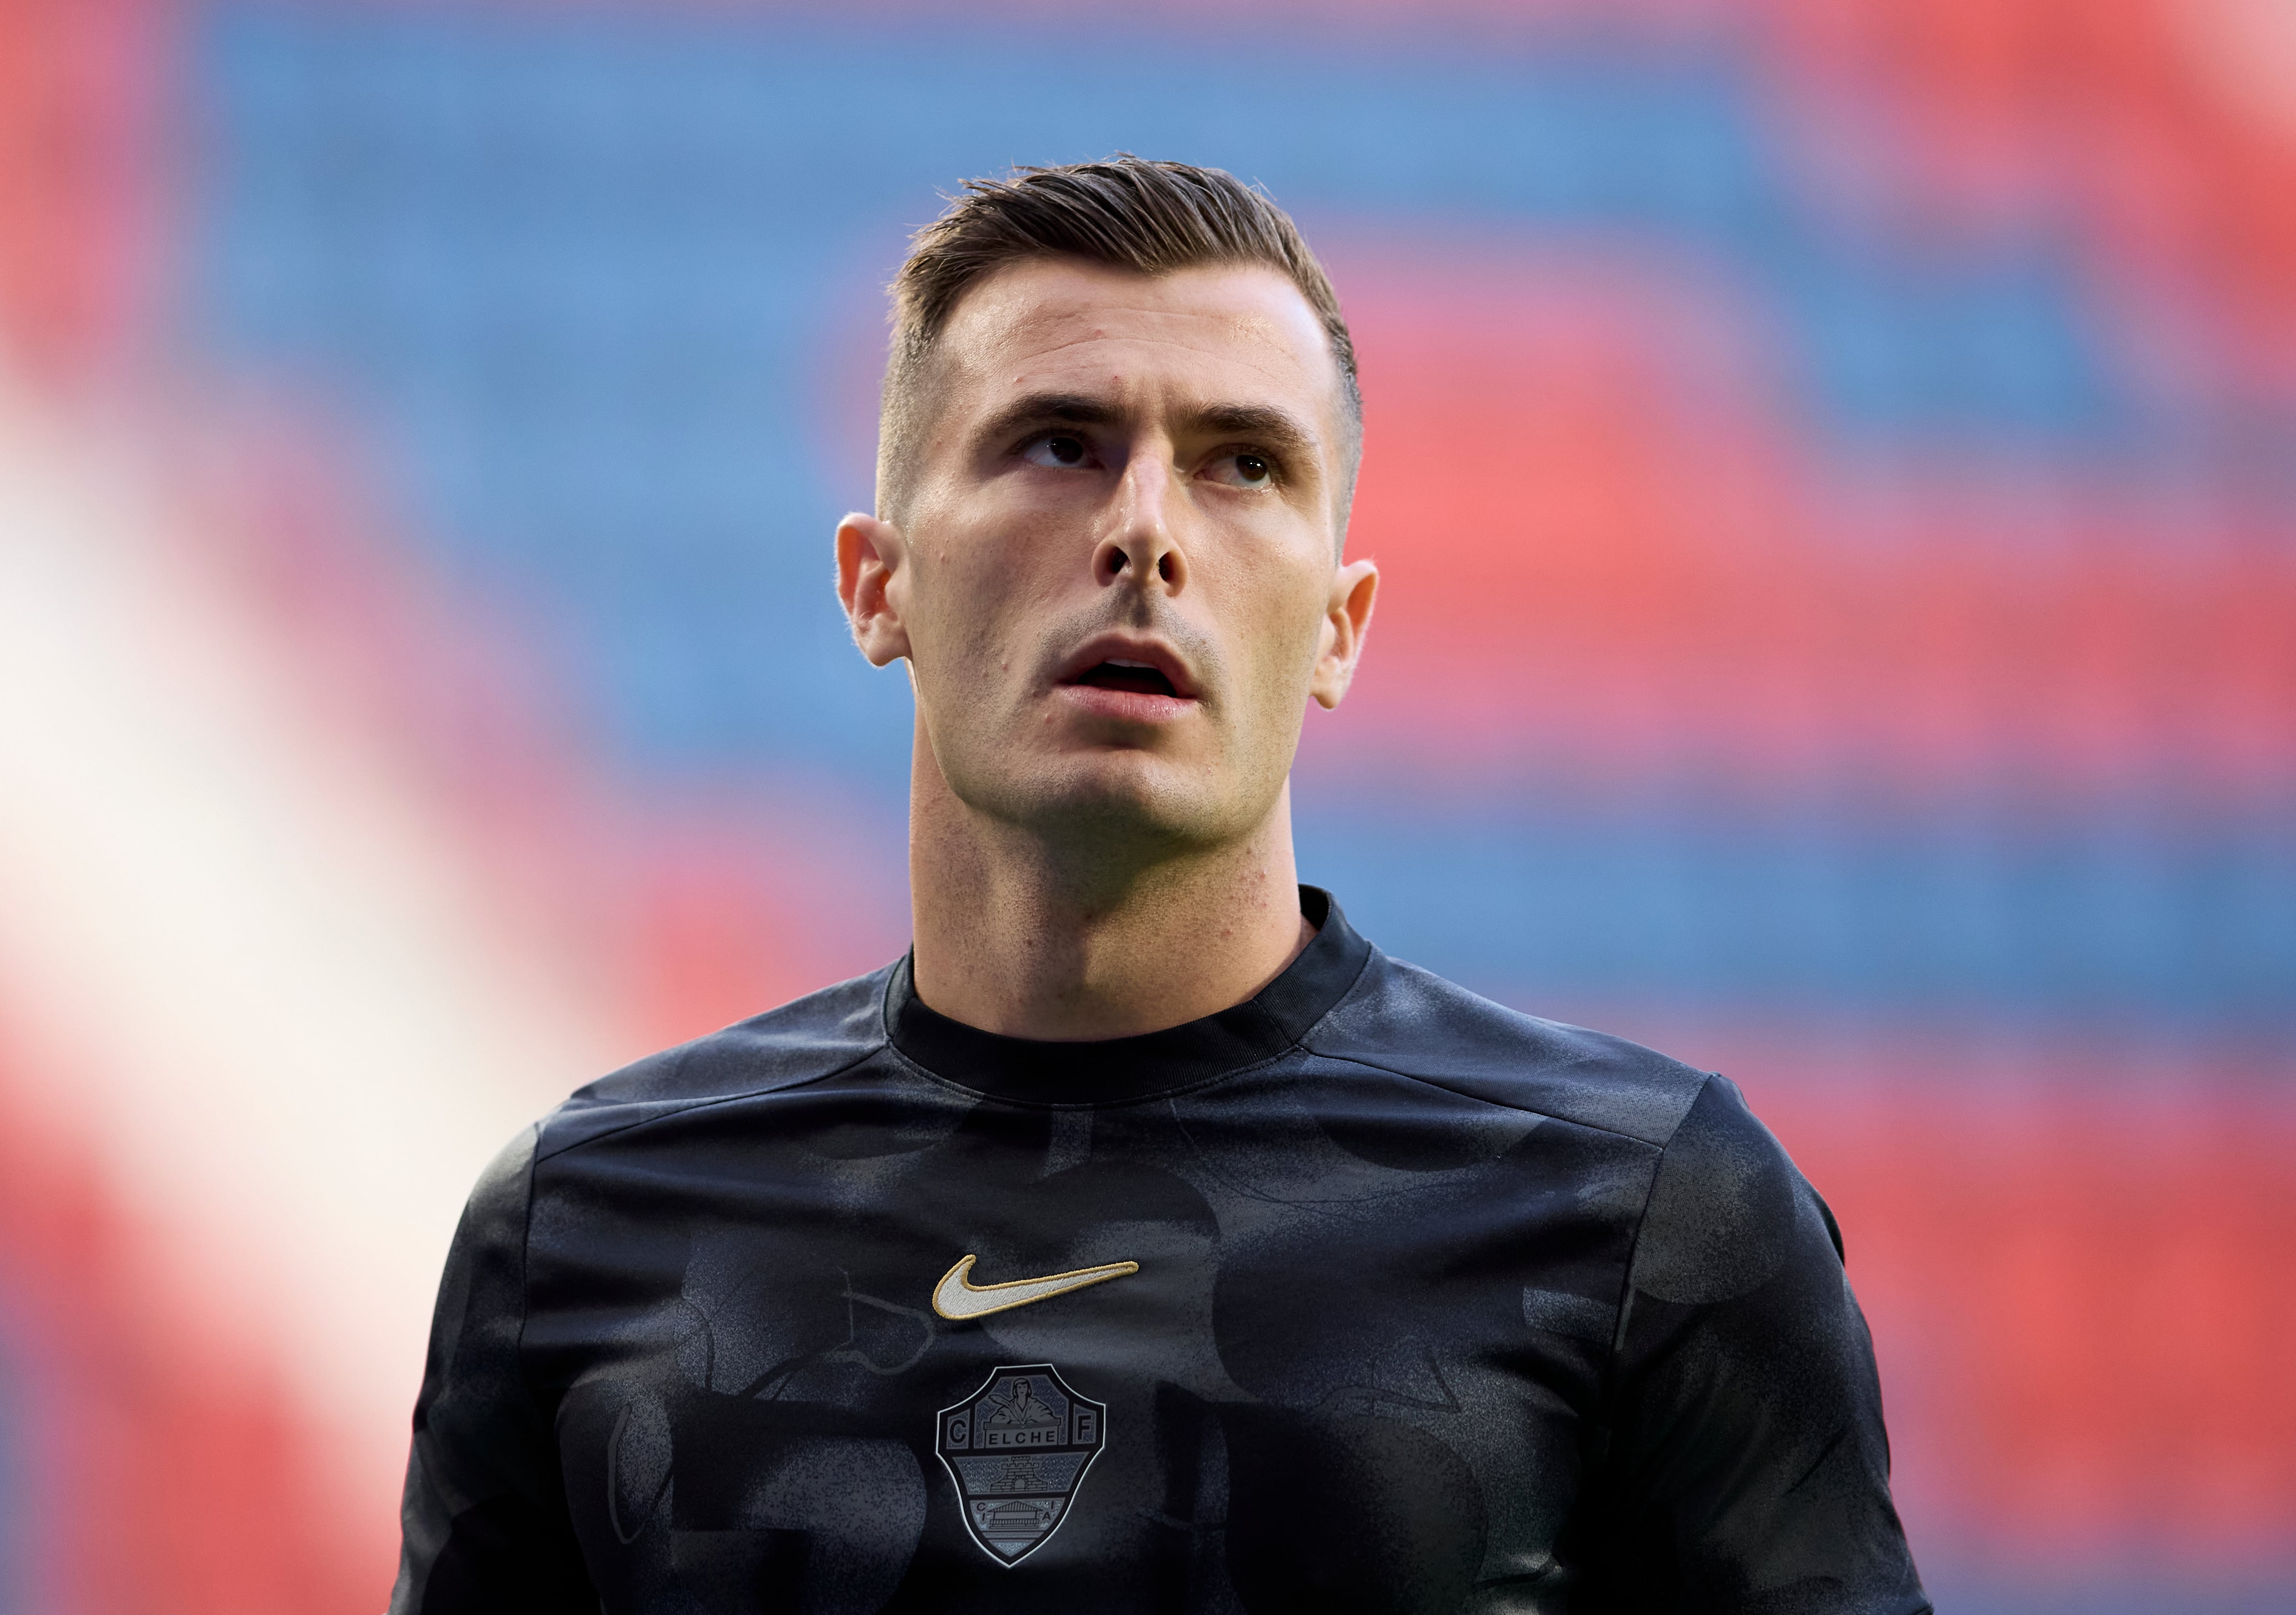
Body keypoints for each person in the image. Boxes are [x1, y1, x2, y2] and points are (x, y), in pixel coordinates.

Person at [390, 156, 1930, 1615]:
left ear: (1339, 626)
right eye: (1060, 443)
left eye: (1242, 464)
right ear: (879, 583)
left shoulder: (1645, 1213)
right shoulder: (585, 1229)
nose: (1144, 532)